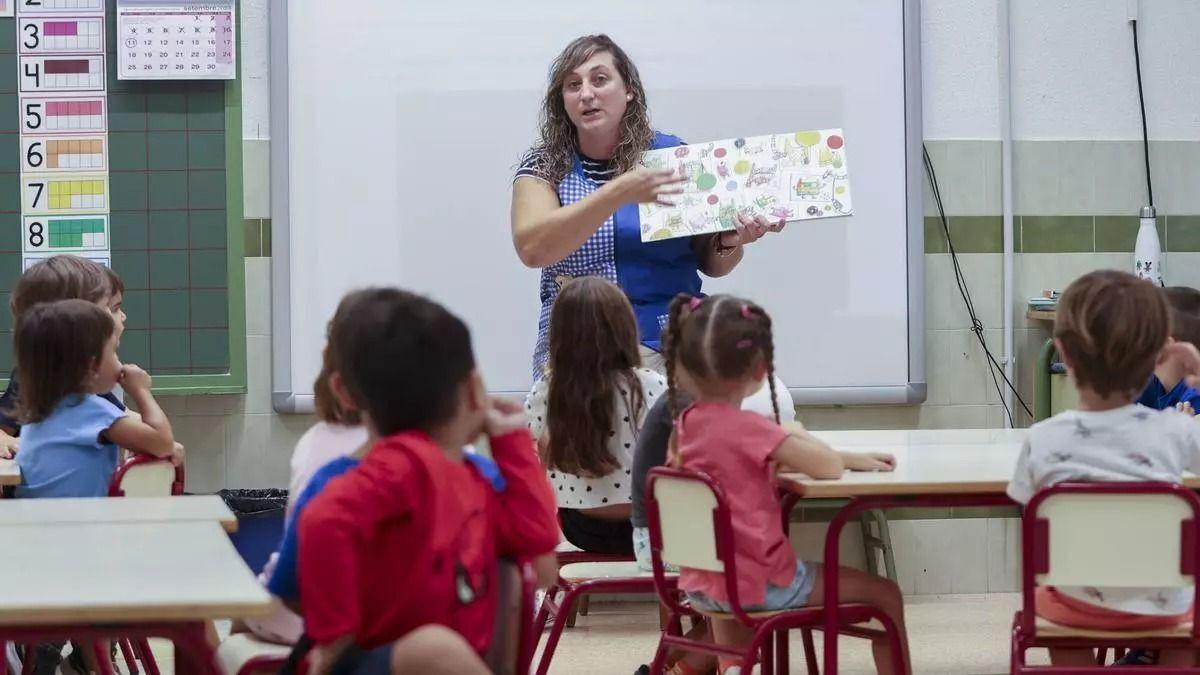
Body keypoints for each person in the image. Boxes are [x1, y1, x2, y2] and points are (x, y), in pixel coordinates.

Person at [296, 288, 560, 675]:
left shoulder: (468, 479)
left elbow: (541, 564)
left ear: (347, 394)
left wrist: (511, 441)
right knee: (433, 650)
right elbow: (324, 520)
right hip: (389, 662)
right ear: (472, 390)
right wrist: (335, 640)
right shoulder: (408, 466)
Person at [511, 34, 785, 376]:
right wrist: (617, 192)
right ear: (562, 101)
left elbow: (710, 263)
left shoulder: (671, 156)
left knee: (771, 402)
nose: (586, 94)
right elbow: (533, 248)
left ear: (628, 90)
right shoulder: (546, 165)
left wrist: (729, 241)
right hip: (582, 339)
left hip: (670, 336)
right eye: (572, 85)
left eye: (599, 80)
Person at [662, 293, 908, 675]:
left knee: (740, 589)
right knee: (886, 596)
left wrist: (839, 456)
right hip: (759, 584)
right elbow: (825, 467)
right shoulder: (752, 430)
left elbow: (740, 472)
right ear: (760, 371)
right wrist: (791, 431)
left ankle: (730, 666)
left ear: (682, 367)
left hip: (701, 582)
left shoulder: (684, 428)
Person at [1007, 270, 1200, 668]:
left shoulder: (1042, 439)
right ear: (1158, 353)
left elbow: (1026, 506)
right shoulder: (1177, 432)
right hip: (1165, 604)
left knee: (1046, 599)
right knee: (1191, 615)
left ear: (1062, 352)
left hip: (1074, 604)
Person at [526, 276, 664, 554]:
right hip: (648, 527)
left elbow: (529, 446)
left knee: (544, 442)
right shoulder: (652, 384)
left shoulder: (549, 388)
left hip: (580, 528)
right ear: (626, 326)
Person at [0, 255, 128, 458]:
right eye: (112, 308)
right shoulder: (39, 376)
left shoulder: (89, 375)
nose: (122, 317)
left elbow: (126, 420)